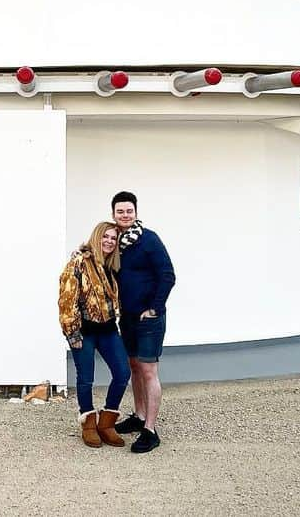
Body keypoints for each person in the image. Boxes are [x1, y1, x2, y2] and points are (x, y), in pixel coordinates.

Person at [110, 191, 175, 454]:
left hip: (148, 319)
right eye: (120, 212)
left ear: (136, 212)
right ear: (113, 213)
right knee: (134, 367)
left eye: (129, 211)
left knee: (149, 371)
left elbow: (168, 275)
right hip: (126, 318)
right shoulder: (114, 242)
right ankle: (138, 416)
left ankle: (150, 429)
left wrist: (155, 308)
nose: (125, 216)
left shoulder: (149, 240)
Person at [58, 221, 131, 448]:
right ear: (97, 237)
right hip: (84, 332)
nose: (109, 241)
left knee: (122, 373)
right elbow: (67, 299)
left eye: (113, 238)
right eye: (105, 237)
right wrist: (72, 333)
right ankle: (88, 424)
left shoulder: (111, 266)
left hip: (108, 330)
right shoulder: (79, 262)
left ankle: (107, 423)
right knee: (86, 378)